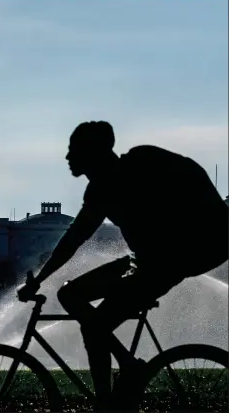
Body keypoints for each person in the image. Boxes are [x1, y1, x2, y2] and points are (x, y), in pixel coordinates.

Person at [17, 121, 229, 410]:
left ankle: (119, 383)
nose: (68, 157)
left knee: (95, 327)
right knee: (71, 296)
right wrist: (40, 279)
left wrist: (38, 280)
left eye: (74, 150)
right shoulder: (102, 188)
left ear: (93, 152)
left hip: (173, 257)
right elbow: (74, 239)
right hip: (151, 259)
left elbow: (74, 239)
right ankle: (118, 380)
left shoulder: (133, 167)